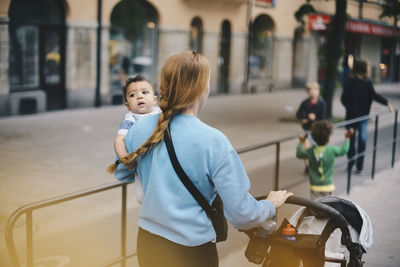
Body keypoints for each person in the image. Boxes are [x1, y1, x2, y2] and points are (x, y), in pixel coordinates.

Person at [116, 51, 293, 267]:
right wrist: (269, 205)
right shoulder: (214, 142)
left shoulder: (140, 127)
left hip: (149, 243)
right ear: (201, 89)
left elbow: (123, 171)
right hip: (191, 252)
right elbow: (242, 214)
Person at [107, 74, 161, 203]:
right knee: (142, 192)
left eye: (145, 92)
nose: (139, 96)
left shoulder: (161, 112)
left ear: (154, 99)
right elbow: (119, 139)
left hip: (161, 157)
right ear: (127, 104)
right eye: (132, 95)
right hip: (142, 161)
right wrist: (125, 157)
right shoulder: (131, 119)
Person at [341, 58, 393, 175]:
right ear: (364, 68)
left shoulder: (367, 82)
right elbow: (344, 99)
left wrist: (387, 103)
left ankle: (359, 167)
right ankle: (350, 164)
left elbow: (374, 95)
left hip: (363, 118)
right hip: (351, 117)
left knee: (362, 141)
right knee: (351, 142)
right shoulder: (350, 82)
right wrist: (351, 109)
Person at [296, 120, 353, 200]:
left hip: (314, 186)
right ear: (328, 138)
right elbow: (343, 151)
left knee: (315, 208)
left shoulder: (310, 151)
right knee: (328, 207)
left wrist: (301, 142)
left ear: (314, 138)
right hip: (328, 186)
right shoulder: (331, 150)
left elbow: (299, 153)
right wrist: (347, 139)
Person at [296, 81, 327, 173]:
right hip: (308, 130)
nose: (312, 92)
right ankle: (307, 167)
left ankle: (318, 165)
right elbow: (299, 114)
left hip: (318, 131)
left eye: (315, 90)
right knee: (306, 148)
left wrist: (315, 118)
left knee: (319, 149)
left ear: (318, 91)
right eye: (310, 90)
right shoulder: (305, 103)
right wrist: (305, 118)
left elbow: (323, 117)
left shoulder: (322, 103)